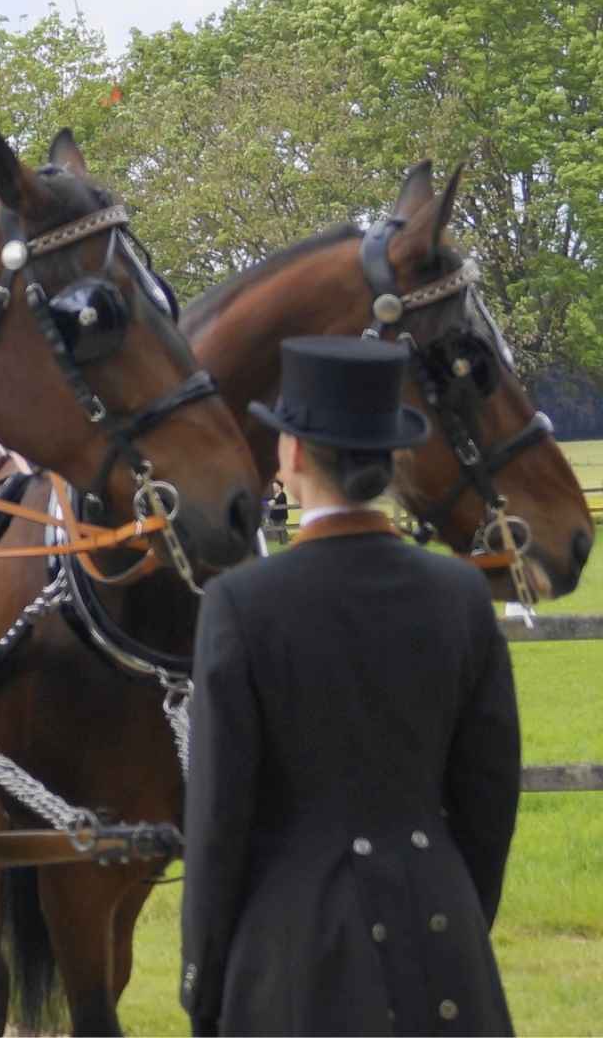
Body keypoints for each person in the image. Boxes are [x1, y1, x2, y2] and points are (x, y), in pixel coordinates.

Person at [181, 335, 520, 1037]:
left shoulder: (241, 604)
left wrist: (204, 980)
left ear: (294, 455)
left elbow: (219, 819)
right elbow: (488, 799)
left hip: (295, 953)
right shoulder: (460, 593)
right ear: (393, 458)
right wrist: (457, 919)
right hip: (444, 939)